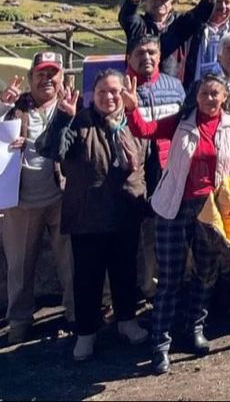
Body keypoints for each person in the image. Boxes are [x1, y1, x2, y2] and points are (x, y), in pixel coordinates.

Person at [124, 72, 230, 375]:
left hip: (212, 208)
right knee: (169, 278)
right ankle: (160, 345)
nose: (210, 99)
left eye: (215, 94)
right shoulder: (180, 121)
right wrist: (131, 108)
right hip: (174, 205)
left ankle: (195, 328)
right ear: (196, 95)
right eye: (205, 93)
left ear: (223, 97)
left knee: (206, 271)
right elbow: (145, 129)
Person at [40, 71, 149, 360]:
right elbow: (50, 150)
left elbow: (147, 160)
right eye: (103, 91)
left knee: (125, 272)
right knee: (88, 279)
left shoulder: (132, 121)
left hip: (126, 212)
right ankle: (87, 333)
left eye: (115, 91)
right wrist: (62, 118)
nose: (109, 97)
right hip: (88, 215)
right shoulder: (78, 120)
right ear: (93, 93)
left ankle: (127, 321)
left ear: (123, 93)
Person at [0, 52, 74, 344]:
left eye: (53, 73)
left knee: (70, 260)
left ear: (61, 79)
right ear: (30, 78)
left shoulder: (70, 106)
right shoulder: (13, 106)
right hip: (21, 201)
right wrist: (4, 108)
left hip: (61, 196)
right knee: (19, 265)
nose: (47, 79)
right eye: (41, 73)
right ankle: (18, 320)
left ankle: (75, 311)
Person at [125, 35, 186, 301]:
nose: (146, 57)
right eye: (140, 53)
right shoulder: (119, 86)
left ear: (160, 56)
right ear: (129, 58)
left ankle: (168, 287)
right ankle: (146, 290)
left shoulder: (175, 86)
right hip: (132, 172)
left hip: (167, 168)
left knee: (167, 230)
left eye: (152, 52)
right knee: (141, 234)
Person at [120, 0, 218, 80]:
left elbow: (200, 15)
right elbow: (126, 17)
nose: (159, 2)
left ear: (171, 3)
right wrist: (133, 1)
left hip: (173, 86)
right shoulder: (139, 25)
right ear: (146, 2)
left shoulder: (179, 24)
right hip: (139, 83)